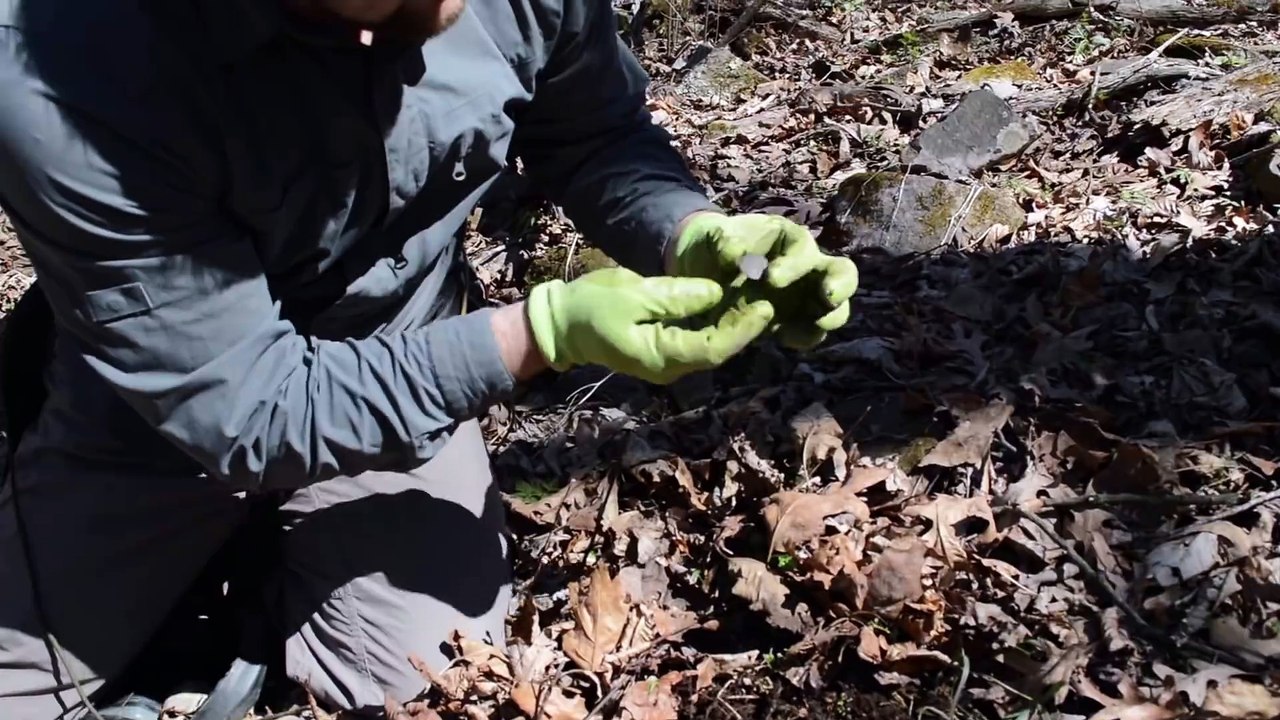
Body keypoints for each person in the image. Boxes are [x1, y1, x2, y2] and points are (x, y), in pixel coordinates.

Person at [0, 0, 858, 717]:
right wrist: (540, 335)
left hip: (397, 354)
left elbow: (594, 130)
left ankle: (249, 597)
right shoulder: (69, 69)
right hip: (167, 412)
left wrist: (689, 232)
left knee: (425, 678)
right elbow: (247, 408)